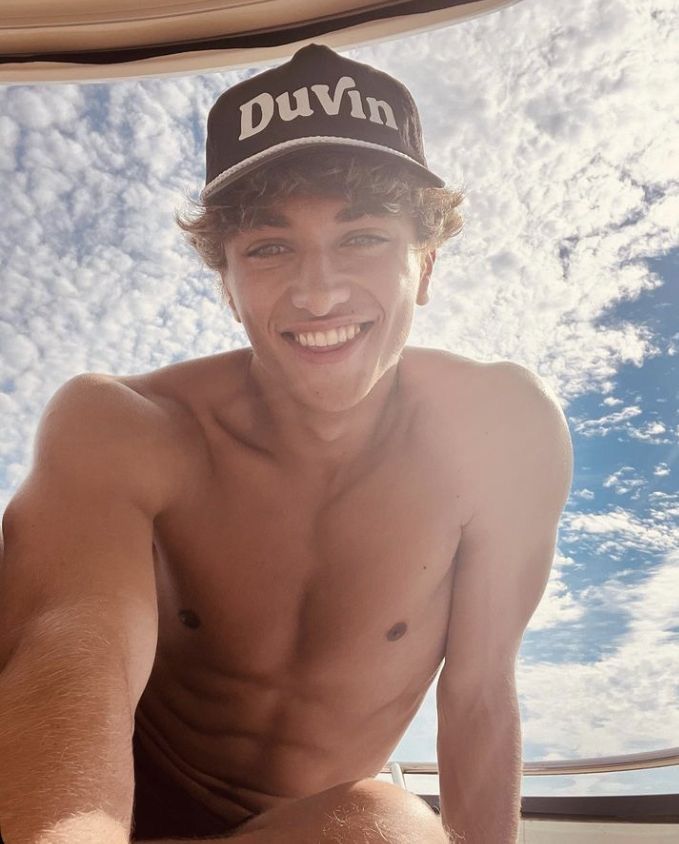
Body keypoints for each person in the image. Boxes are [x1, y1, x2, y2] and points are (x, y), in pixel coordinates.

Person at [0, 43, 573, 844]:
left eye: (364, 236)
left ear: (427, 265)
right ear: (227, 286)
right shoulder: (124, 426)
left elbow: (477, 696)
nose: (318, 291)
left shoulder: (499, 434)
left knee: (386, 824)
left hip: (305, 827)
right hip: (100, 804)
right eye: (269, 247)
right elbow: (66, 662)